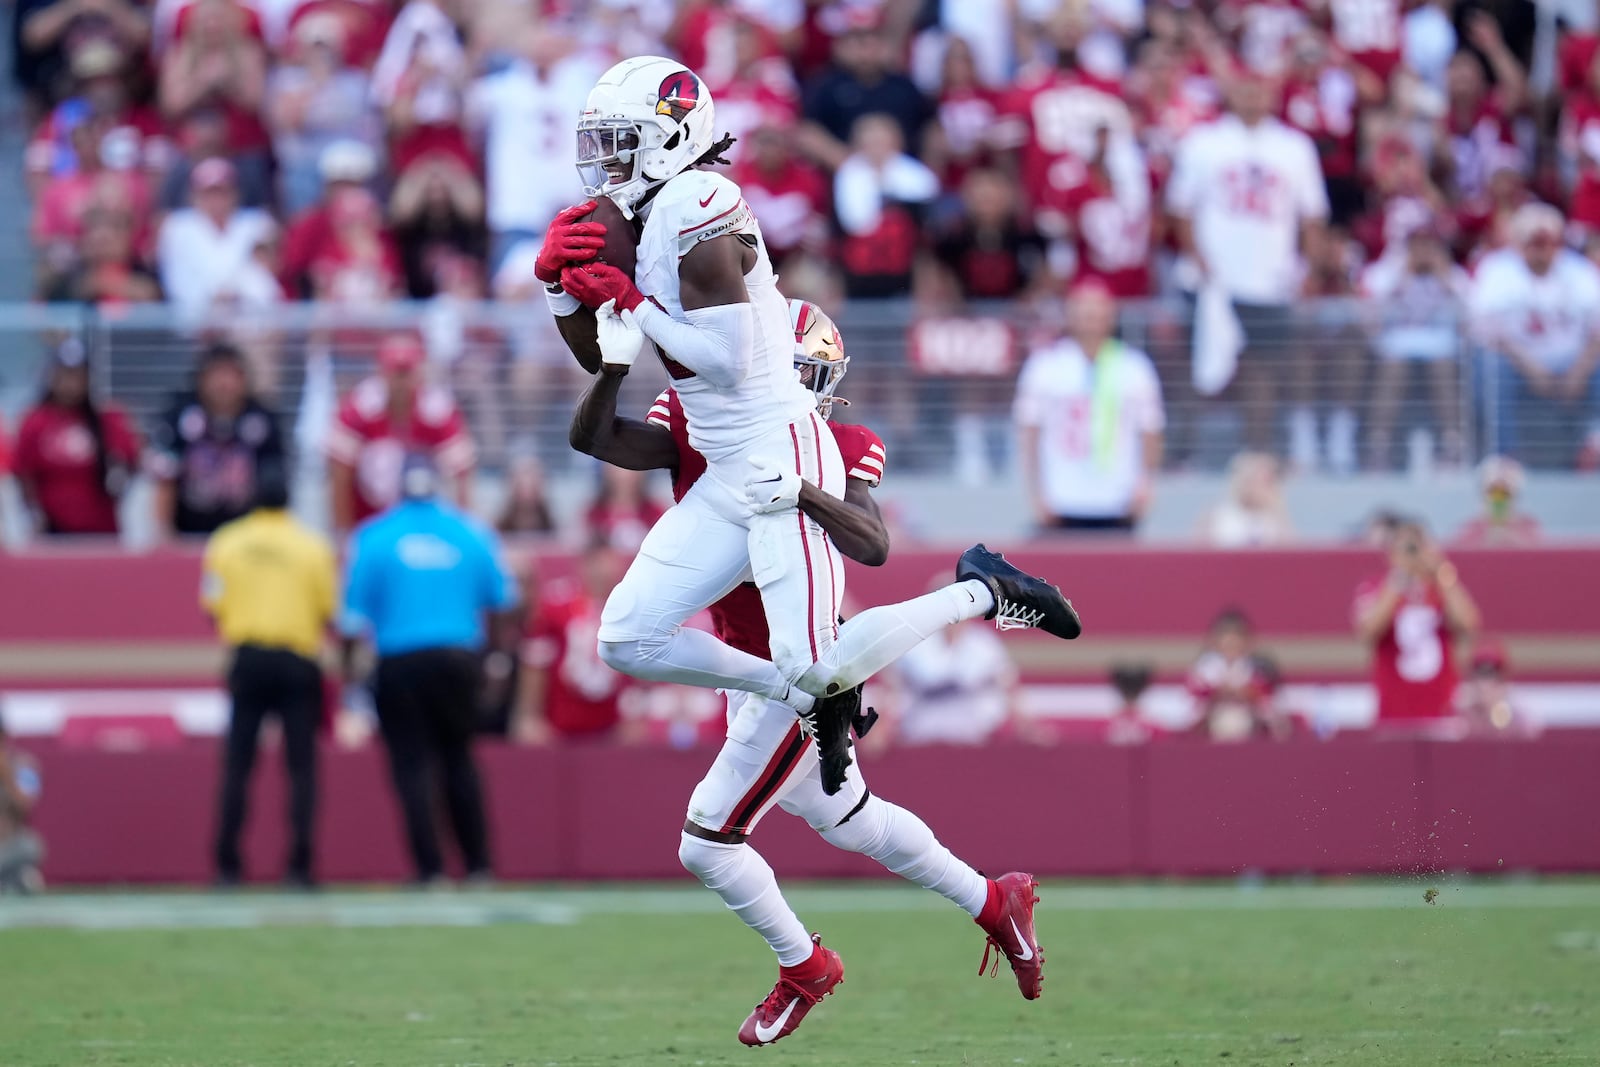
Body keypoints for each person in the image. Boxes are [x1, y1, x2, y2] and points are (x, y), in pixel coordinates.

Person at [545, 56, 1079, 814]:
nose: (607, 161)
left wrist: (630, 299)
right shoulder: (651, 209)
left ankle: (983, 588)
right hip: (725, 464)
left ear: (669, 138)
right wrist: (555, 291)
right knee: (627, 639)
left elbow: (726, 362)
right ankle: (803, 694)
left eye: (621, 140)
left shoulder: (699, 197)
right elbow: (602, 359)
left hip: (775, 448)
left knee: (816, 663)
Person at [568, 297, 1050, 1046]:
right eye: (784, 372)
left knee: (705, 841)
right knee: (848, 818)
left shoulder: (839, 442)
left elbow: (871, 541)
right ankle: (996, 901)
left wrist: (802, 491)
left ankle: (804, 965)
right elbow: (597, 438)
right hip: (741, 668)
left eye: (808, 376)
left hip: (799, 670)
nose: (796, 390)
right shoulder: (702, 418)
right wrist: (614, 363)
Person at [340, 455, 519, 886]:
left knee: (411, 765)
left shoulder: (374, 537)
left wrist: (349, 682)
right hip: (459, 658)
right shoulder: (470, 532)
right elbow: (503, 604)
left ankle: (431, 870)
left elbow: (349, 621)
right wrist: (495, 662)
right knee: (459, 759)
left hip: (400, 661)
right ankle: (478, 866)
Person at [1168, 71, 1330, 456]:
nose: (1252, 98)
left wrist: (1308, 269)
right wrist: (1199, 257)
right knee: (1195, 370)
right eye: (1244, 89)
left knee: (1264, 370)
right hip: (1210, 280)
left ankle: (1258, 453)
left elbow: (1312, 216)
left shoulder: (1295, 147)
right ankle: (1185, 455)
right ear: (1230, 93)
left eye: (1259, 90)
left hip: (1270, 280)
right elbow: (1180, 209)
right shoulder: (1202, 143)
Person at [201, 461, 336, 887]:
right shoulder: (312, 546)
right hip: (297, 660)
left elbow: (212, 604)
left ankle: (227, 866)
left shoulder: (227, 542)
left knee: (238, 765)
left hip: (249, 656)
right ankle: (300, 865)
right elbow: (327, 609)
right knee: (301, 768)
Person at [1014, 281, 1165, 533]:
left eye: (1097, 313)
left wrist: (1146, 486)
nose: (1091, 321)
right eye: (1084, 313)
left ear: (1111, 316)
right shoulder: (1045, 366)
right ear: (1070, 316)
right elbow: (1029, 432)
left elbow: (1151, 431)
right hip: (1061, 497)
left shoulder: (1134, 367)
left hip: (1118, 499)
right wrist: (1035, 493)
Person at [1471, 203, 1600, 468]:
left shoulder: (1580, 271)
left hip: (1572, 362)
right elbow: (1485, 329)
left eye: (1548, 243)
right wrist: (1532, 368)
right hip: (1518, 362)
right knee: (1489, 365)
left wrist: (1579, 370)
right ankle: (1505, 454)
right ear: (1519, 244)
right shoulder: (1498, 270)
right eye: (1534, 243)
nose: (1541, 251)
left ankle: (1594, 444)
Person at [325, 334, 476, 537]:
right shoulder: (359, 408)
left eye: (406, 373)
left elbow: (462, 478)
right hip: (370, 524)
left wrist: (458, 537)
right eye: (395, 372)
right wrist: (345, 537)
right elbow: (339, 477)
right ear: (381, 371)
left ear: (419, 373)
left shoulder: (438, 410)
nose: (400, 382)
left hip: (424, 530)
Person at [149, 342, 285, 538]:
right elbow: (164, 477)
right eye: (217, 375)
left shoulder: (262, 420)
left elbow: (275, 484)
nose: (224, 384)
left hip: (248, 537)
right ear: (201, 379)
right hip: (190, 533)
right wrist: (164, 535)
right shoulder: (179, 416)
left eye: (231, 375)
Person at [1353, 519, 1481, 725]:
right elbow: (1368, 631)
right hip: (1394, 711)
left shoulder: (1441, 586)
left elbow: (1468, 623)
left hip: (1441, 708)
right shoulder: (1376, 587)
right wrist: (1397, 581)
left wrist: (1441, 572)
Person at [512, 538, 639, 744]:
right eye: (597, 563)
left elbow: (636, 669)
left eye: (609, 562)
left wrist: (634, 717)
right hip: (561, 725)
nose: (603, 571)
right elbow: (535, 663)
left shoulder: (629, 609)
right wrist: (529, 715)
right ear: (583, 565)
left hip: (611, 727)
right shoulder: (556, 605)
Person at [12, 340, 141, 537]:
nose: (71, 383)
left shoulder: (107, 420)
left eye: (77, 375)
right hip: (52, 531)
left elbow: (132, 462)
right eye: (65, 375)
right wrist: (33, 515)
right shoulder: (35, 422)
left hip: (102, 530)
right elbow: (24, 474)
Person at [1187, 609, 1285, 741]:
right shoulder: (1205, 668)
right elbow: (1196, 697)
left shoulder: (1256, 667)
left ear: (1247, 642)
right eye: (1227, 643)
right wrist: (1218, 692)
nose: (1231, 648)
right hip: (1214, 720)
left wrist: (1246, 693)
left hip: (1249, 719)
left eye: (1236, 642)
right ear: (1215, 643)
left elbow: (1266, 695)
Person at [1200, 451, 1293, 547]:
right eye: (1256, 480)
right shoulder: (1216, 515)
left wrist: (1278, 511)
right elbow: (1199, 552)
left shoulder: (1274, 518)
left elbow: (1289, 553)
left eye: (1269, 482)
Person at [0, 715, 45, 895]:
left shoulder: (25, 765)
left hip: (11, 842)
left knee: (31, 845)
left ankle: (14, 879)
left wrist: (7, 776)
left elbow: (25, 804)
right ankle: (13, 881)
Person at [1456, 455, 1541, 546]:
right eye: (1493, 491)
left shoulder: (1530, 527)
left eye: (1505, 492)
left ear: (1517, 495)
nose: (1498, 498)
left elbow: (1541, 554)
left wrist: (1514, 541)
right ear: (1482, 495)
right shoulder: (1469, 530)